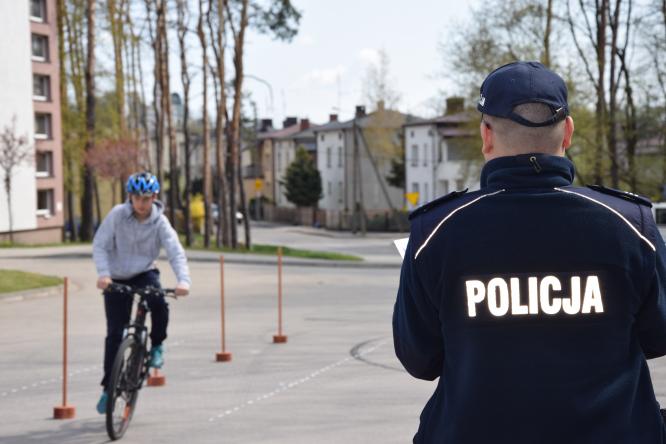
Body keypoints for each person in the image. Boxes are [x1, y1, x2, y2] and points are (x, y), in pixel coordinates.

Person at [393, 61, 666, 443]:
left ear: (486, 136)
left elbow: (420, 359)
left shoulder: (434, 233)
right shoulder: (631, 226)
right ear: (568, 133)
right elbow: (659, 337)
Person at [92, 172, 191, 414]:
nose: (142, 204)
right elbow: (100, 245)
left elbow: (175, 252)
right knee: (114, 334)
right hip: (116, 276)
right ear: (130, 197)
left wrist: (183, 281)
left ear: (154, 197)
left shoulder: (160, 222)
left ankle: (157, 345)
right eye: (137, 198)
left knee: (159, 302)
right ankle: (108, 389)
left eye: (147, 198)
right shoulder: (117, 215)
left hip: (145, 272)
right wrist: (104, 274)